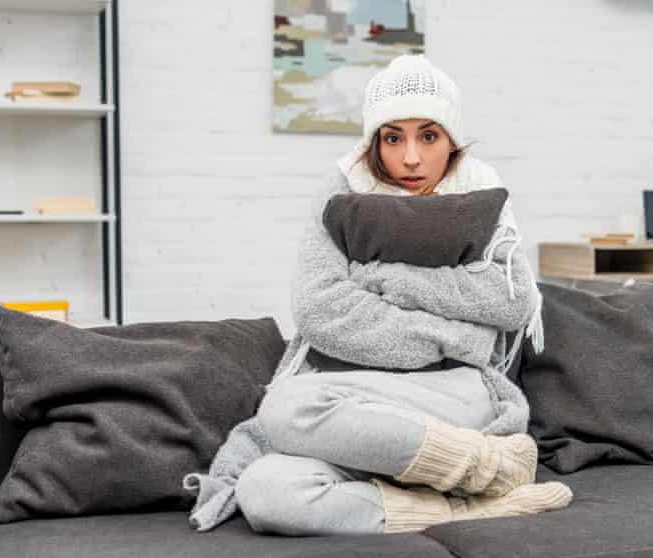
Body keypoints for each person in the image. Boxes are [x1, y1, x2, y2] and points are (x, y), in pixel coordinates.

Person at [230, 54, 572, 536]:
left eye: (428, 136)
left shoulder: (480, 189)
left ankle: (458, 466)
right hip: (354, 404)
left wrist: (389, 278)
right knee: (266, 491)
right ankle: (478, 487)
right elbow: (318, 310)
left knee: (287, 408)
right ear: (374, 141)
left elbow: (512, 299)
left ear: (450, 139)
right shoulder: (342, 191)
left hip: (450, 396)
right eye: (393, 138)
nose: (411, 157)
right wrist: (453, 332)